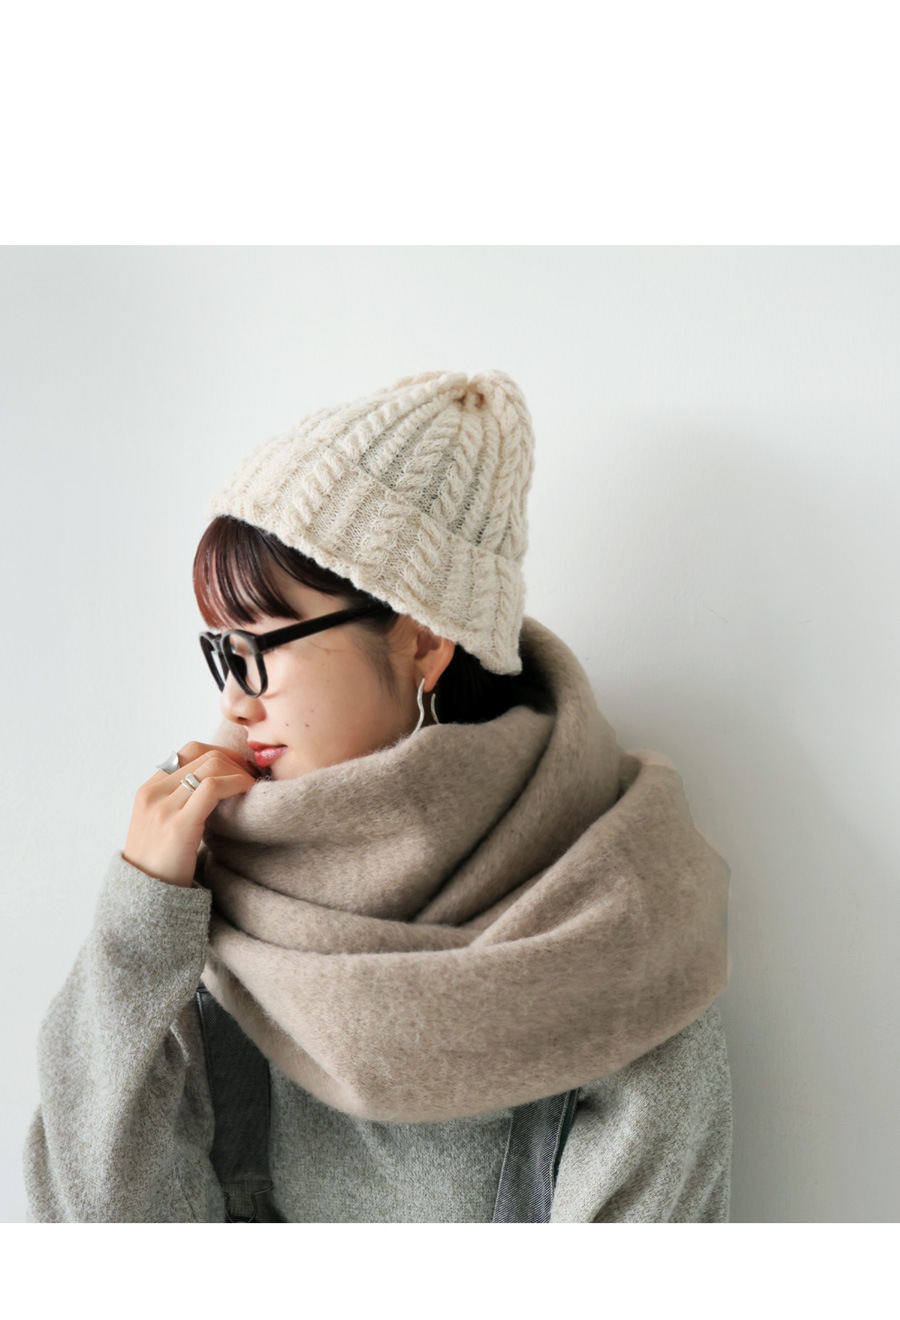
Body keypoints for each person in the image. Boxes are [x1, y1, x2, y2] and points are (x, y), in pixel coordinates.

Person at [23, 368, 733, 1222]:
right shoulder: (205, 913)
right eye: (222, 654)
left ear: (423, 642)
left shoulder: (621, 941)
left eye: (261, 648)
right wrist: (139, 925)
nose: (234, 703)